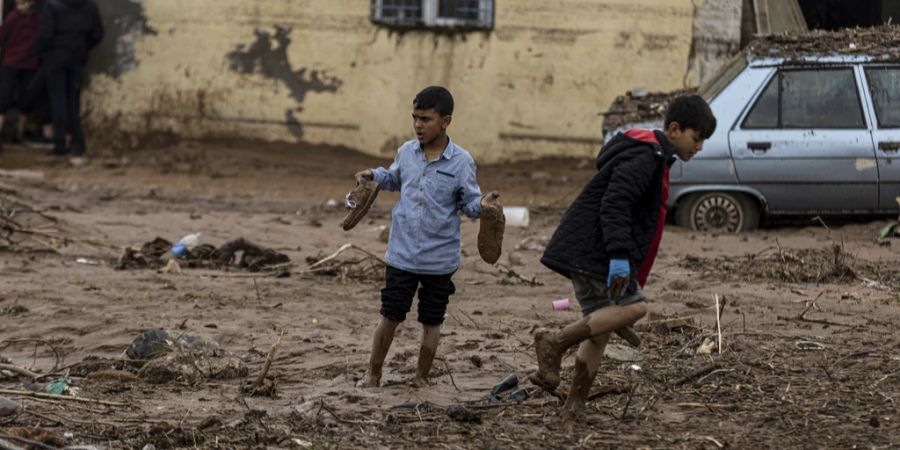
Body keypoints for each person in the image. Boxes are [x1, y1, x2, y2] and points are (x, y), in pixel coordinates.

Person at [532, 94, 717, 416]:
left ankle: (573, 408)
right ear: (674, 129)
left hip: (595, 252)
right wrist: (618, 257)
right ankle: (556, 342)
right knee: (636, 307)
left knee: (599, 333)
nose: (699, 147)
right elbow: (615, 204)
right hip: (596, 253)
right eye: (696, 138)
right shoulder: (646, 157)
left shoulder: (656, 156)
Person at [355, 86, 498, 388]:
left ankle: (421, 378)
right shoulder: (406, 152)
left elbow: (469, 203)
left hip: (440, 261)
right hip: (402, 255)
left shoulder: (461, 162)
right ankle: (373, 374)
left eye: (426, 119)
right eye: (415, 118)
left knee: (432, 321)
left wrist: (483, 206)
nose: (418, 125)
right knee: (390, 315)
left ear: (446, 121)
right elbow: (394, 178)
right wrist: (373, 175)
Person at [31, 0, 103, 156]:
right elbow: (97, 34)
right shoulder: (90, 5)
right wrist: (82, 46)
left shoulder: (52, 5)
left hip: (55, 58)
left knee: (58, 100)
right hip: (77, 57)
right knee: (72, 101)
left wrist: (36, 51)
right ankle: (78, 143)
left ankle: (60, 143)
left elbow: (45, 34)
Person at [0, 0, 42, 149]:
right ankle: (19, 133)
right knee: (26, 100)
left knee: (4, 98)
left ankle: (7, 131)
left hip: (11, 62)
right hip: (29, 63)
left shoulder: (12, 17)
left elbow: (2, 37)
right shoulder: (38, 19)